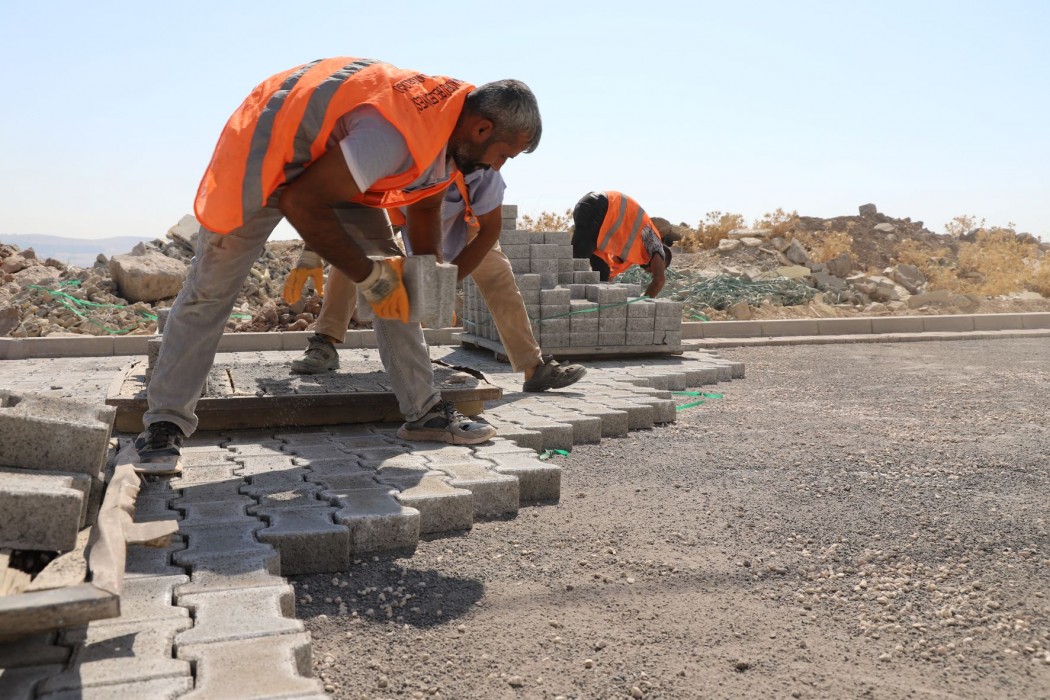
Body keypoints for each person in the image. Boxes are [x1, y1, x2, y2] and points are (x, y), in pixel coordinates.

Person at [134, 57, 542, 469]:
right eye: (504, 154)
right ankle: (164, 424)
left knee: (396, 282)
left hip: (337, 164)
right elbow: (302, 201)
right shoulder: (396, 136)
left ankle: (425, 412)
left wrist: (425, 279)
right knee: (211, 292)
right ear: (482, 129)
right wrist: (371, 279)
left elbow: (424, 205)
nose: (498, 165)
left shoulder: (453, 131)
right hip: (269, 150)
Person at [284, 168, 586, 392]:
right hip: (398, 218)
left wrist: (443, 284)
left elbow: (488, 230)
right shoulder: (392, 156)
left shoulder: (483, 170)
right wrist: (312, 251)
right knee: (355, 255)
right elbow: (341, 202)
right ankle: (324, 342)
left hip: (462, 225)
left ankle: (534, 367)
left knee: (499, 277)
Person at [571, 191, 673, 298]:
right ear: (662, 257)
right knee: (576, 263)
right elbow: (659, 281)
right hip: (601, 207)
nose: (650, 271)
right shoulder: (655, 243)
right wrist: (643, 304)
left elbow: (610, 271)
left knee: (602, 273)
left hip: (596, 214)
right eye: (658, 267)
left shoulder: (634, 253)